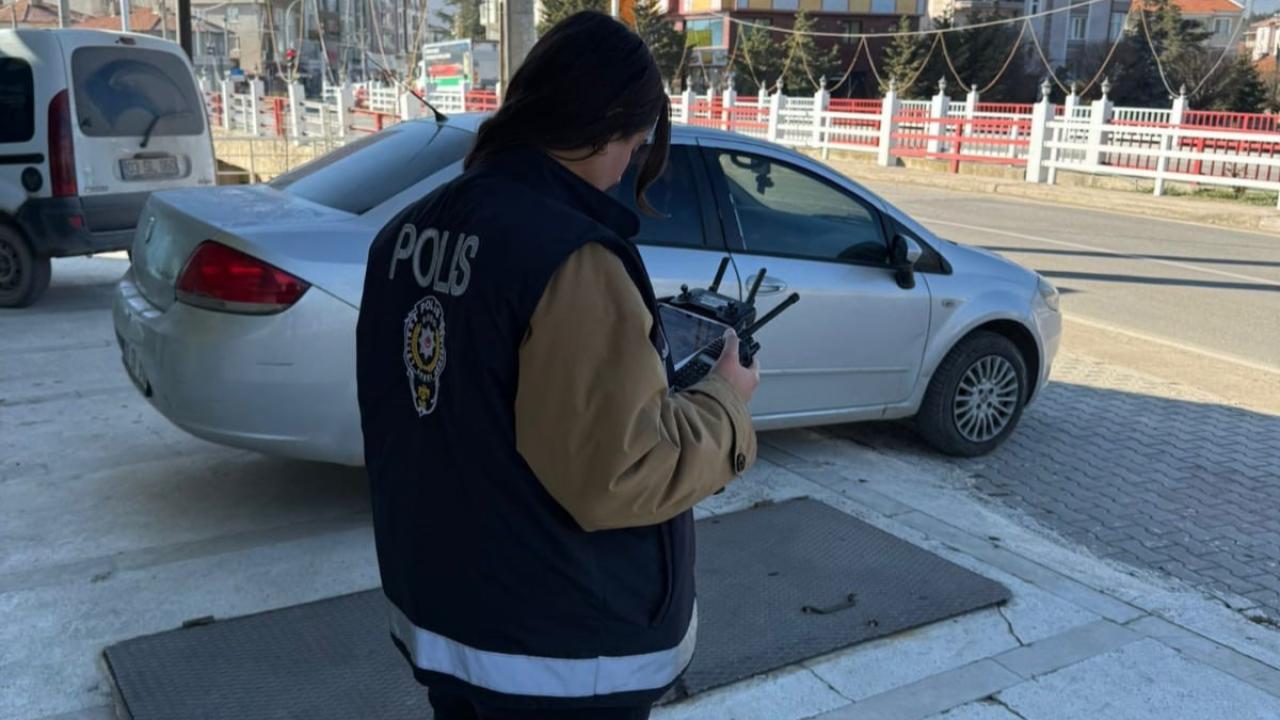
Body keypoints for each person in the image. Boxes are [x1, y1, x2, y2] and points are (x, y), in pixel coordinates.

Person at [355, 12, 759, 719]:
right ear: (605, 123)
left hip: (446, 615)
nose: (627, 165)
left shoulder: (407, 232)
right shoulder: (570, 256)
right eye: (635, 146)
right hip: (559, 651)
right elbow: (619, 472)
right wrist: (725, 400)